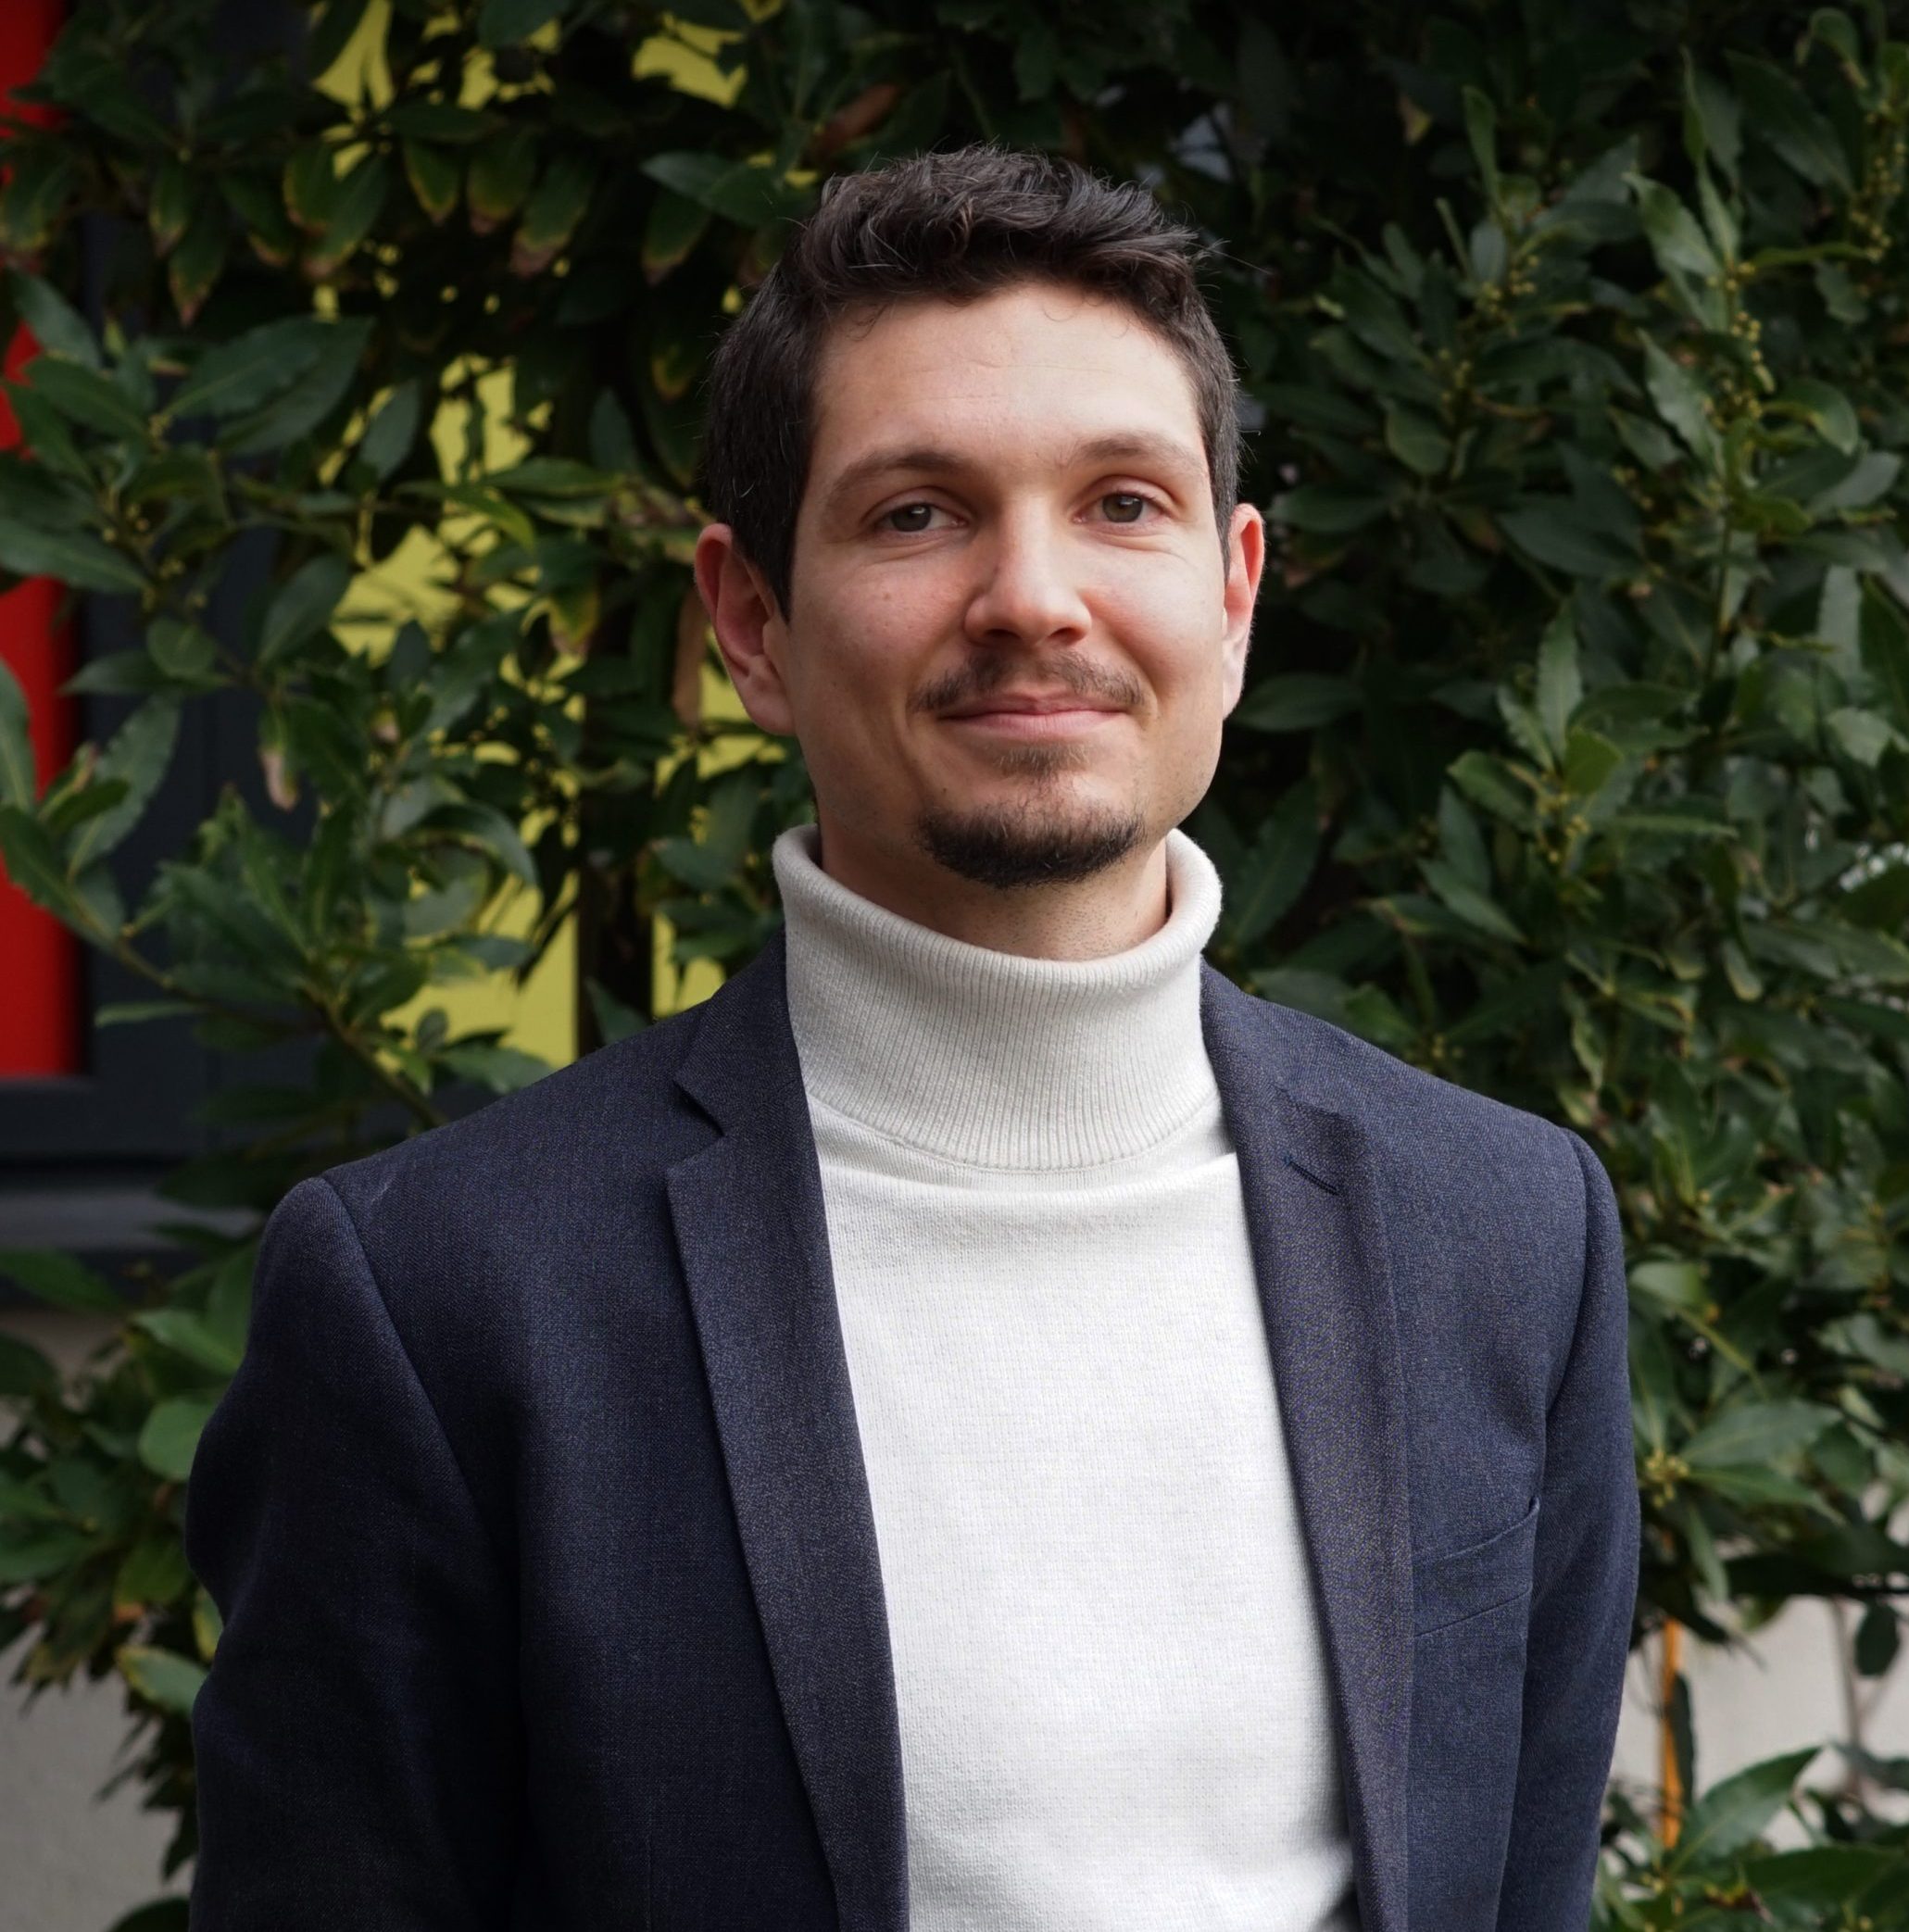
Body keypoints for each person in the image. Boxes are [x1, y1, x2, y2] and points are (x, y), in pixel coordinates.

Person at [183, 144, 1641, 1932]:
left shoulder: (1504, 1232)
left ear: (1235, 597)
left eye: (1124, 502)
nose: (1034, 596)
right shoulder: (442, 1297)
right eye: (917, 514)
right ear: (751, 622)